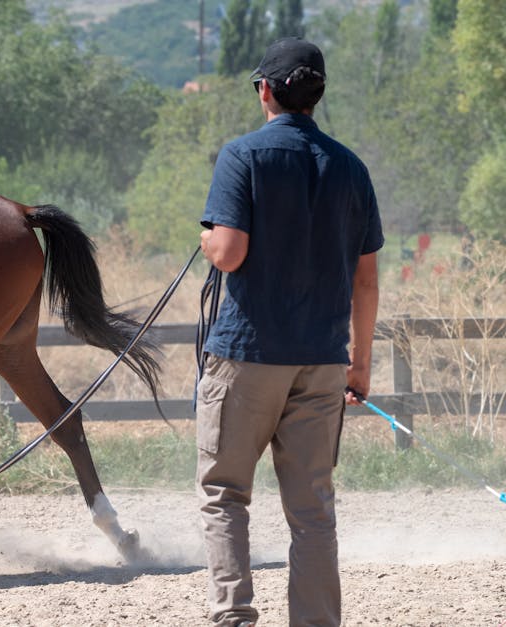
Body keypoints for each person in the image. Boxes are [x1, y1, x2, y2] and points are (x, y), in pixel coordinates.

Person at [196, 37, 382, 627]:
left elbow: (228, 253)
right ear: (315, 96)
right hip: (322, 359)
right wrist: (359, 367)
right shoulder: (351, 168)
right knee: (313, 512)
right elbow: (366, 281)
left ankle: (234, 617)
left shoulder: (242, 156)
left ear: (265, 91)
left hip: (248, 356)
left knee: (225, 494)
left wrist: (206, 238)